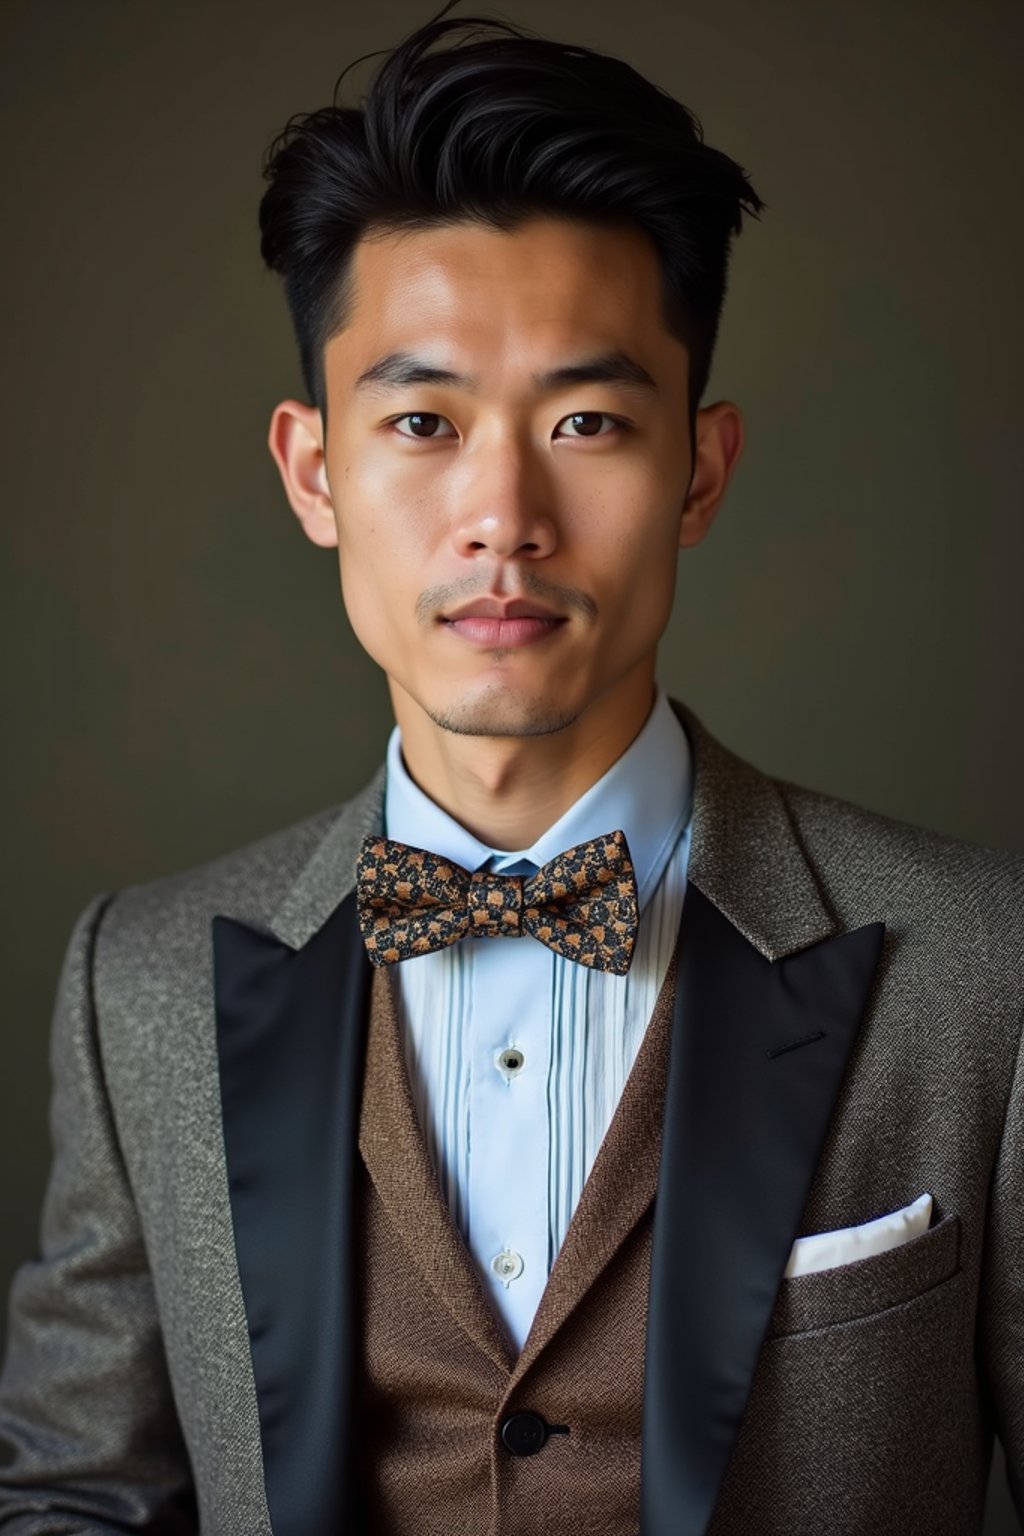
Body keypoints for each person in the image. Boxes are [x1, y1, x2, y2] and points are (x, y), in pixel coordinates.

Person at [1, 4, 1021, 1533]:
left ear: (701, 469)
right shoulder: (133, 984)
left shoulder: (985, 971)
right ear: (313, 471)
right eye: (422, 420)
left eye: (589, 418)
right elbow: (77, 1500)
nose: (503, 515)